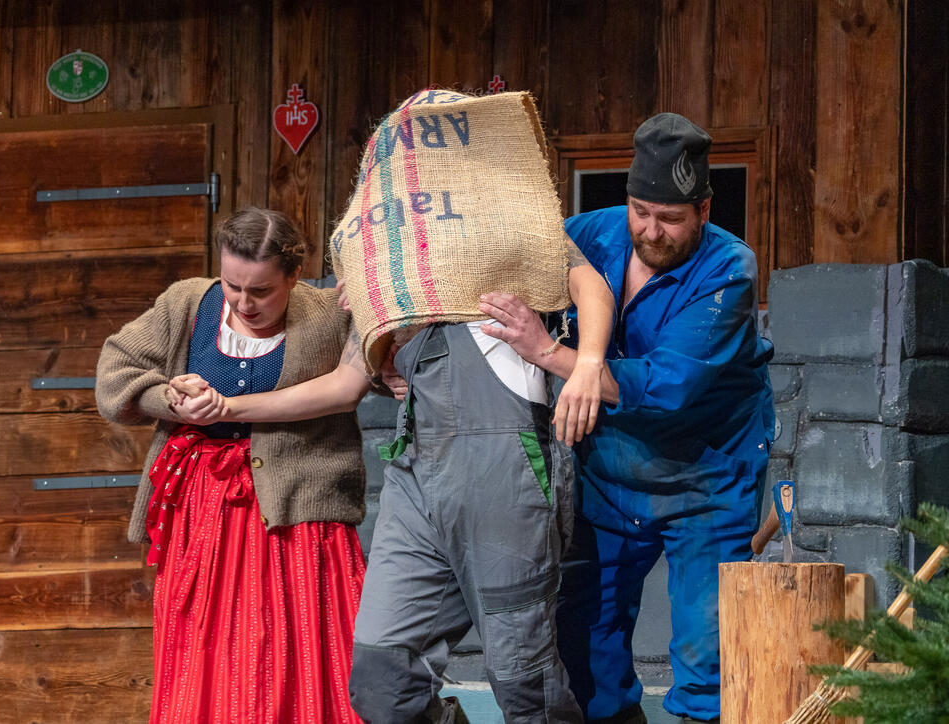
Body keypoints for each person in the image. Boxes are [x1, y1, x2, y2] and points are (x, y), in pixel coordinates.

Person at [170, 240, 616, 723]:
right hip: (417, 473)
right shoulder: (394, 227)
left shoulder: (503, 212)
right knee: (381, 683)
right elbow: (350, 377)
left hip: (503, 469)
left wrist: (584, 359)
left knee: (523, 680)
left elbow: (588, 282)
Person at [478, 113, 774, 724]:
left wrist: (554, 355)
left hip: (705, 482)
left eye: (670, 218)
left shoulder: (729, 271)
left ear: (705, 211)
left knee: (706, 653)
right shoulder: (595, 233)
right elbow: (502, 262)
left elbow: (669, 384)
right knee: (586, 640)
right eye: (641, 210)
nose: (651, 230)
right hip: (610, 475)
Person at [95, 207, 370, 723]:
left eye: (262, 291)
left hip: (299, 512)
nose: (244, 302)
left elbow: (375, 369)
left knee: (309, 641)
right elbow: (115, 375)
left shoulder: (330, 314)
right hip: (203, 512)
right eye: (232, 285)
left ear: (294, 275)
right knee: (208, 641)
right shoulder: (186, 303)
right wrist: (169, 397)